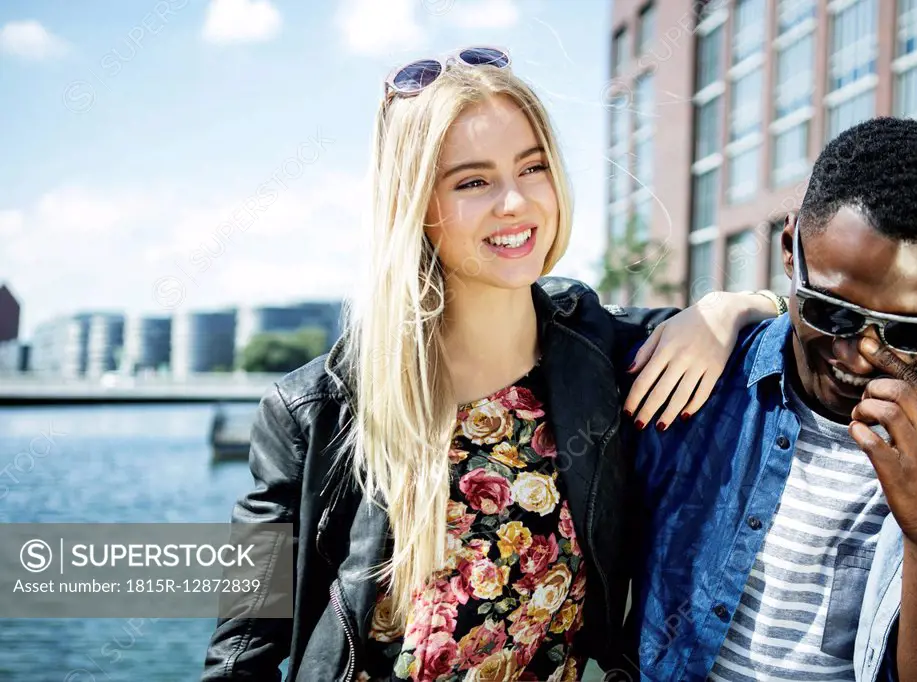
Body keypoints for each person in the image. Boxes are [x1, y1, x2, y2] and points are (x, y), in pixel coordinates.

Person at [201, 47, 780, 681]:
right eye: (473, 181)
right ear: (415, 206)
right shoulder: (314, 412)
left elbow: (786, 330)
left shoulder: (606, 356)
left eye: (532, 168)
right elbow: (242, 650)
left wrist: (733, 306)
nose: (515, 202)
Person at [627, 116, 917, 682]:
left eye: (911, 331)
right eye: (831, 312)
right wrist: (726, 306)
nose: (861, 356)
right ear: (790, 248)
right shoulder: (694, 376)